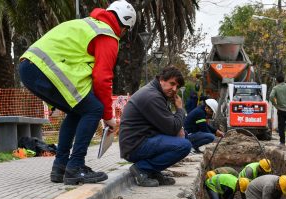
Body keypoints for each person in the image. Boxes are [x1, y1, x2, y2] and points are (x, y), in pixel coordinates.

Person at [19, 0, 136, 185]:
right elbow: (102, 78)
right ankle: (76, 167)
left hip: (29, 67)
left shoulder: (87, 24)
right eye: (126, 30)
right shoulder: (107, 35)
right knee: (94, 109)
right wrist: (108, 116)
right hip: (44, 69)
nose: (123, 34)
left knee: (77, 111)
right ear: (125, 25)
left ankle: (61, 167)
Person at [119, 66, 191, 187]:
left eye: (177, 87)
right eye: (172, 84)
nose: (174, 89)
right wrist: (179, 109)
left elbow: (171, 125)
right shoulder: (152, 96)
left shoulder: (157, 93)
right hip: (135, 146)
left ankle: (153, 171)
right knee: (184, 146)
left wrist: (179, 129)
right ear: (161, 79)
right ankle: (142, 169)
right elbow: (172, 128)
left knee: (185, 138)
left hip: (141, 141)